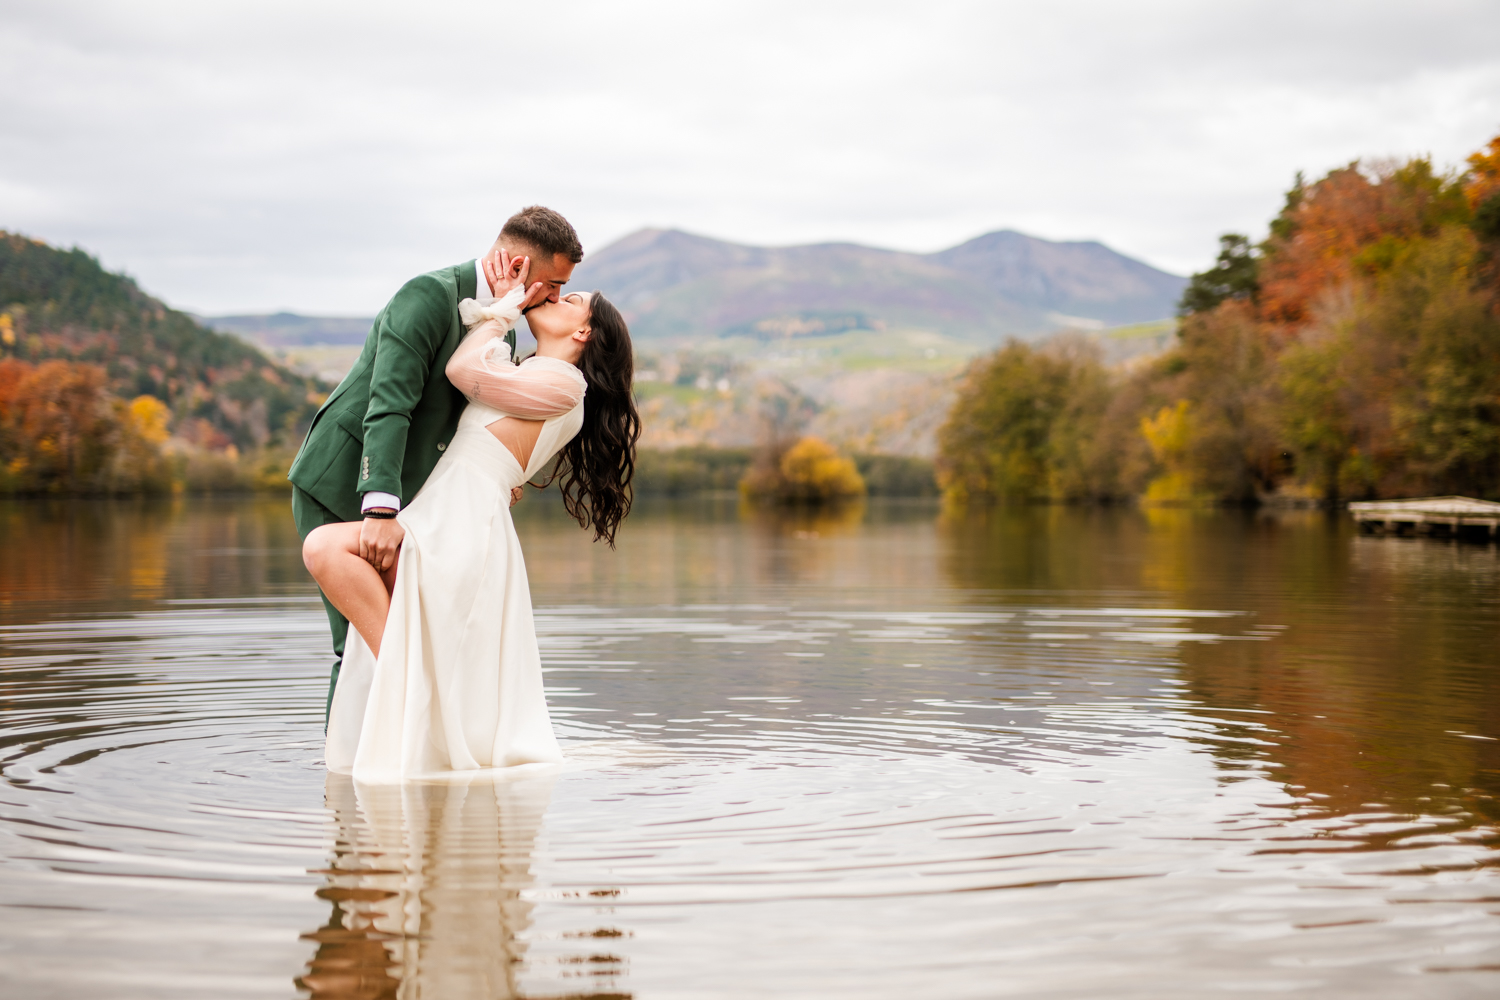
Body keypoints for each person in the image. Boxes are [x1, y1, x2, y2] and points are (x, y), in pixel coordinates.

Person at [302, 252, 639, 779]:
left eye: (570, 298)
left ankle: (411, 686)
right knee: (365, 584)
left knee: (324, 548)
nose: (554, 297)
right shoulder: (532, 373)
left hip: (461, 519)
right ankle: (416, 692)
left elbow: (462, 370)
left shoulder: (564, 385)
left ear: (584, 333)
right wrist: (502, 309)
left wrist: (502, 308)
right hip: (449, 510)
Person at [288, 206, 583, 719]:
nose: (556, 297)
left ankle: (405, 759)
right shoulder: (426, 295)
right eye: (553, 284)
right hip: (345, 479)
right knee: (354, 645)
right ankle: (345, 776)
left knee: (396, 635)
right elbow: (389, 404)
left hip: (419, 500)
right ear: (516, 265)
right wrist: (379, 508)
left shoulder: (504, 329)